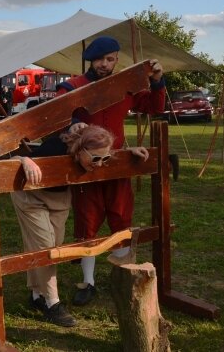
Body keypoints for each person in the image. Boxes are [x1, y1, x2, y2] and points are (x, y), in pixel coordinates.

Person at [55, 36, 166, 306]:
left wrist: (157, 80)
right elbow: (58, 116)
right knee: (87, 223)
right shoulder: (72, 87)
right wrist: (72, 125)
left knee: (121, 218)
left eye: (110, 59)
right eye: (100, 59)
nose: (105, 64)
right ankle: (88, 281)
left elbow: (154, 107)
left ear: (117, 60)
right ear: (90, 60)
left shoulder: (126, 88)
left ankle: (124, 278)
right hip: (86, 167)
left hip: (116, 165)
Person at [12, 125, 149, 327]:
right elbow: (9, 162)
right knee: (46, 248)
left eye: (105, 159)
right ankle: (52, 303)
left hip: (59, 200)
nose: (100, 164)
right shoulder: (55, 147)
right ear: (80, 150)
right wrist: (25, 160)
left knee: (53, 246)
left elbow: (103, 153)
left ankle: (36, 295)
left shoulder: (94, 153)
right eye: (95, 159)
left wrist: (128, 153)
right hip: (31, 197)